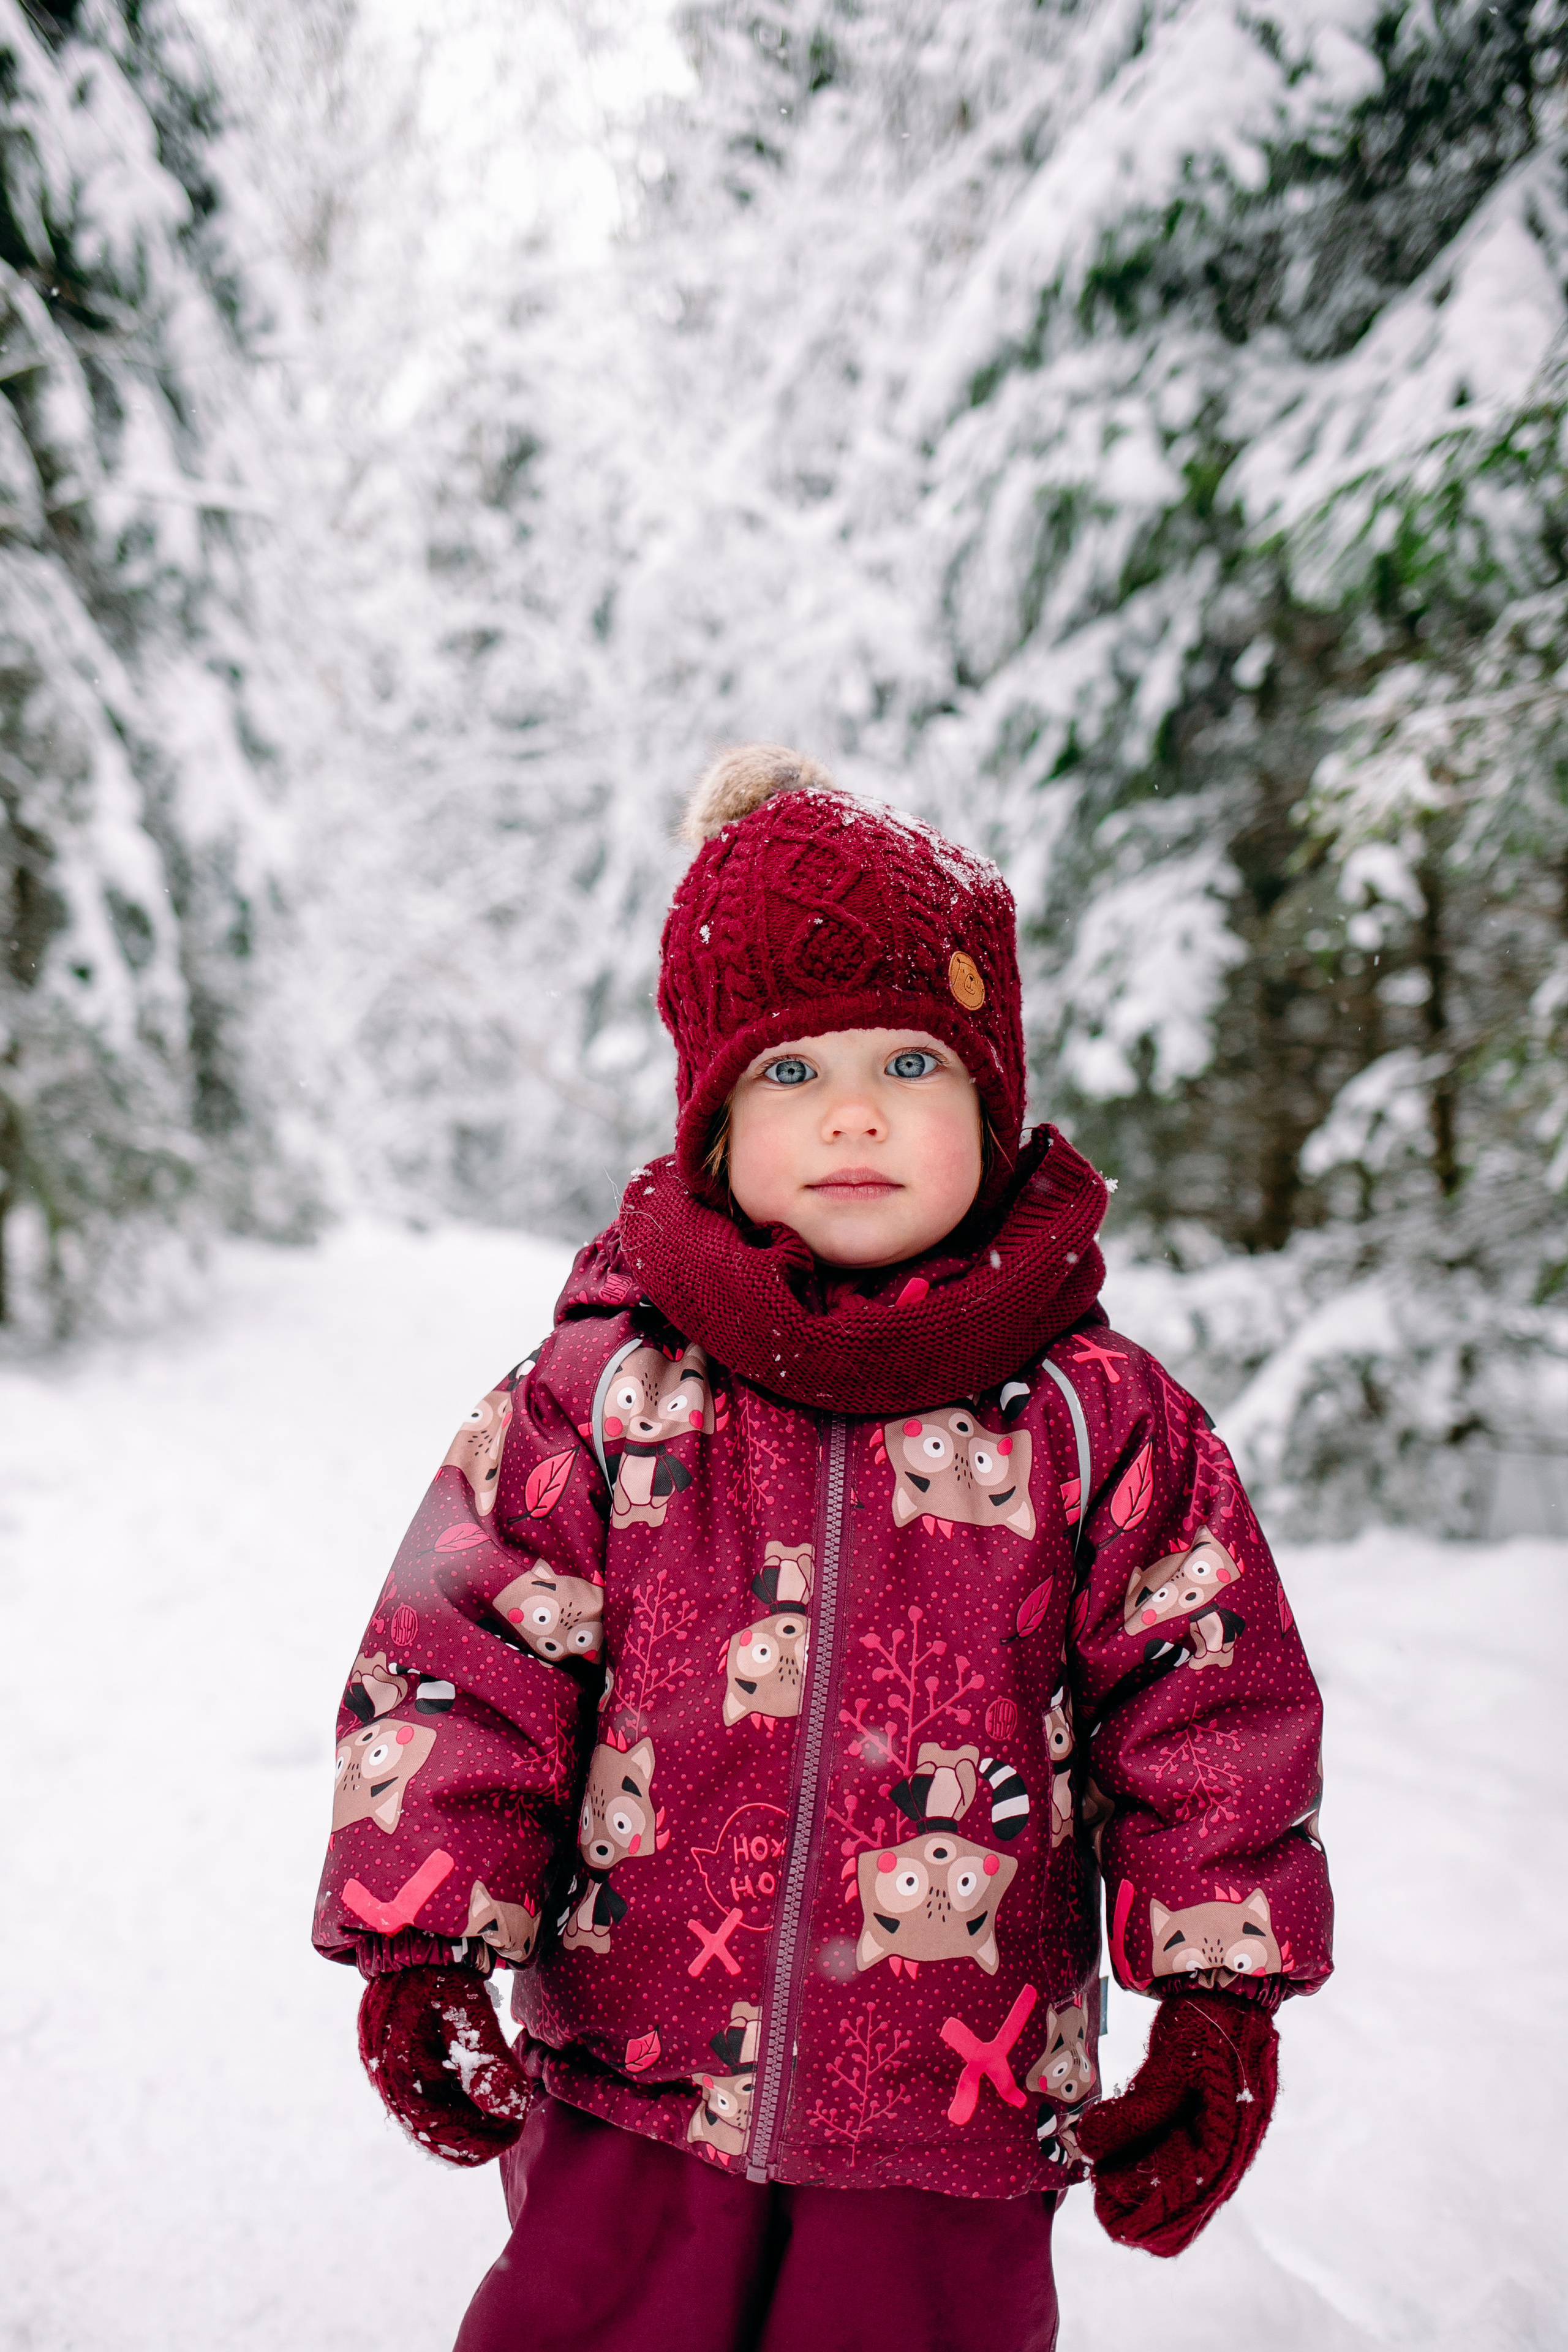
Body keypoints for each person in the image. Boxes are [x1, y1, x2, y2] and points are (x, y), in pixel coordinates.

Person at [314, 746, 1332, 2352]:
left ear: (993, 1104)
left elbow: (1210, 1710)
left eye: (911, 1063)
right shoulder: (605, 1396)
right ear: (715, 1125)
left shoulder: (1098, 1421)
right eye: (791, 1071)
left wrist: (1220, 2000)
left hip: (954, 2125)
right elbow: (464, 1666)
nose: (855, 1112)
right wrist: (423, 1938)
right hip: (632, 2086)